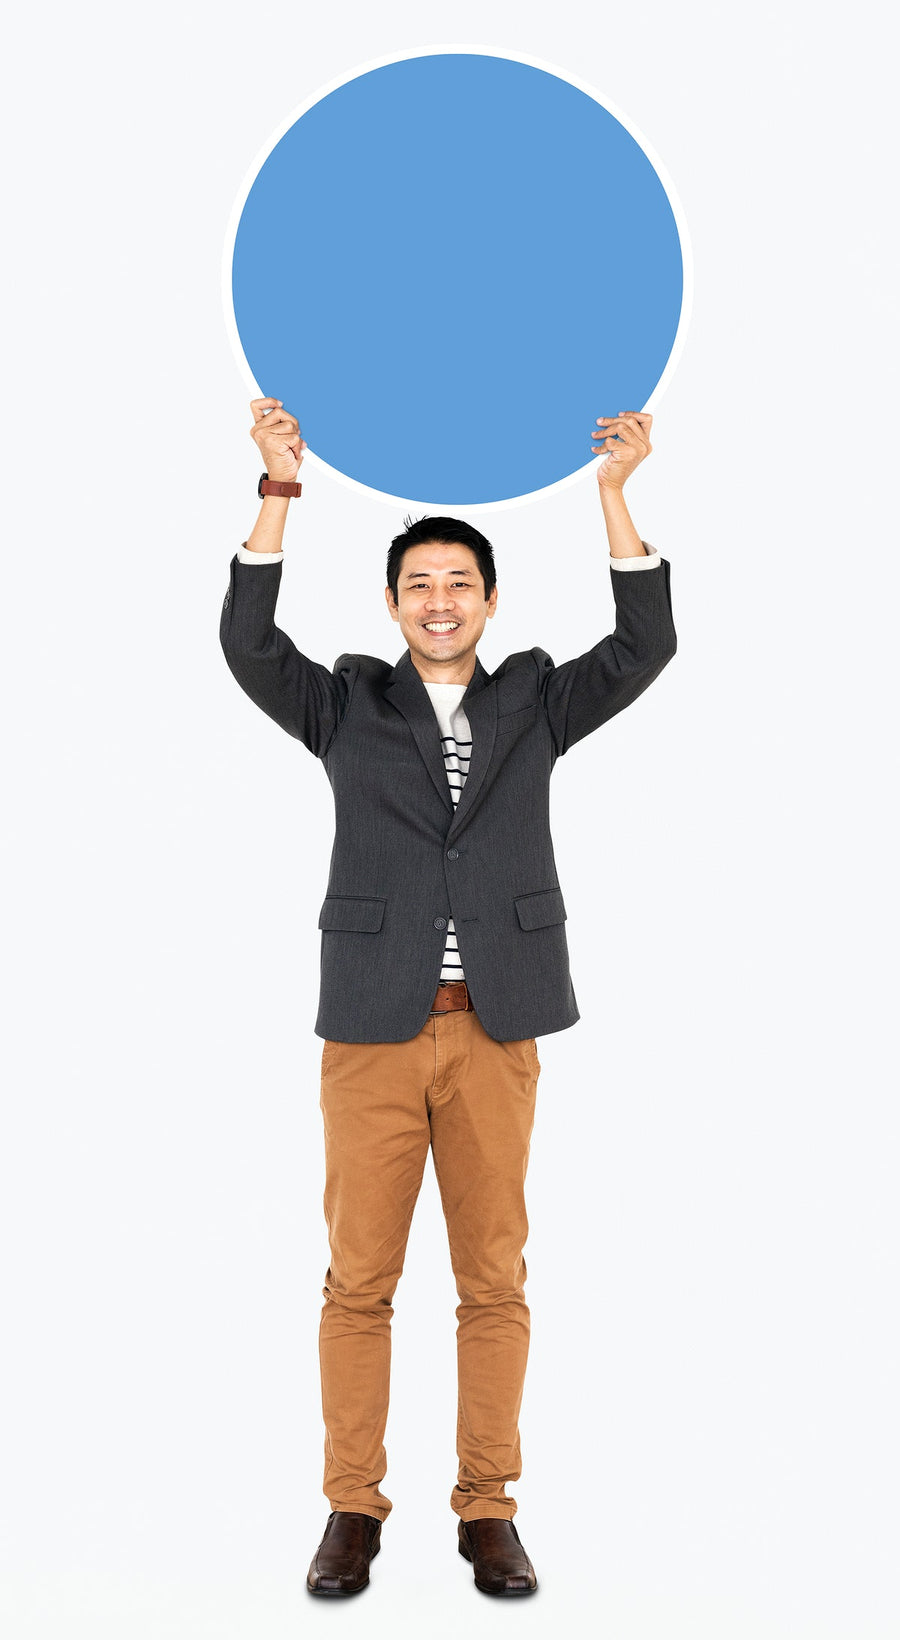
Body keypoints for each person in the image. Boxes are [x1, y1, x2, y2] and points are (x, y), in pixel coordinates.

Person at [219, 397, 676, 1598]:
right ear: (391, 602)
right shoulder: (346, 703)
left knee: (493, 1278)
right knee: (358, 1280)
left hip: (498, 1030)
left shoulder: (534, 699)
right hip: (370, 1029)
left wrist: (614, 493)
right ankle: (351, 1508)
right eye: (417, 581)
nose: (438, 598)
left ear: (487, 599)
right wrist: (278, 490)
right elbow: (249, 646)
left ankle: (488, 1508)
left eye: (458, 581)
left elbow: (643, 648)